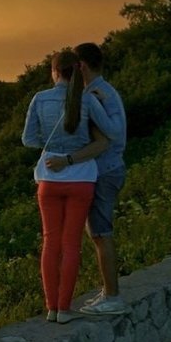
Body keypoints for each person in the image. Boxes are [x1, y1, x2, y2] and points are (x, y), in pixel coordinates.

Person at [22, 50, 118, 324]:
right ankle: (65, 309)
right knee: (72, 244)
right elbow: (109, 132)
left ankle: (52, 308)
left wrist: (54, 146)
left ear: (54, 72)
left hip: (50, 179)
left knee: (50, 242)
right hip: (81, 179)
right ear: (76, 71)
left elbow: (28, 140)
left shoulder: (40, 99)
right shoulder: (87, 99)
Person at [47, 42, 128, 315]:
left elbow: (113, 133)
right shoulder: (102, 92)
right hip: (107, 169)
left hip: (105, 170)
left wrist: (68, 159)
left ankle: (113, 297)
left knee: (100, 233)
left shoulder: (96, 94)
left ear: (80, 66)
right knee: (96, 233)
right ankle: (107, 292)